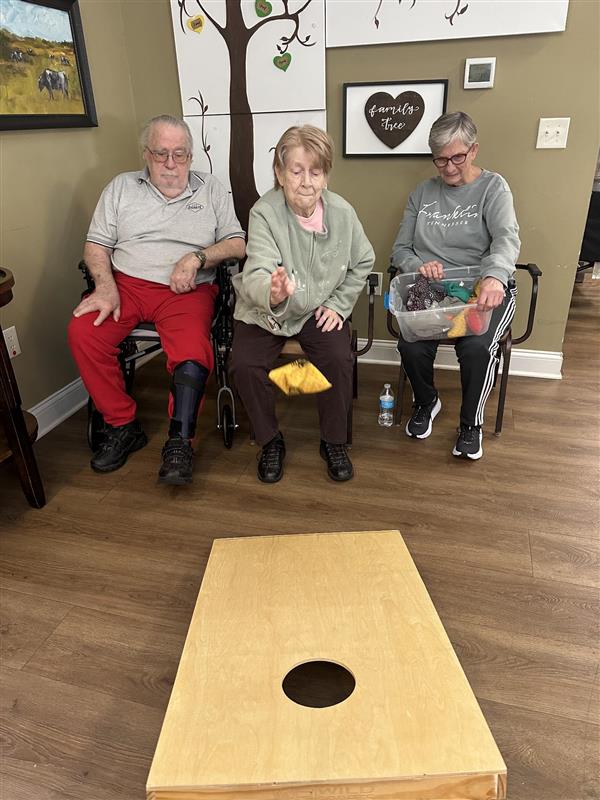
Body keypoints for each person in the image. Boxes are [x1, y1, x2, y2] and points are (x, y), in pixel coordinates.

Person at [68, 115, 246, 484]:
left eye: (179, 154)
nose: (170, 163)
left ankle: (181, 440)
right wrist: (104, 286)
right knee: (84, 331)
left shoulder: (211, 188)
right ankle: (122, 425)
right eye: (160, 153)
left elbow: (237, 242)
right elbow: (96, 246)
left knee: (193, 355)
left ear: (191, 155)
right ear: (145, 154)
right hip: (126, 285)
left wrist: (196, 258)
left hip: (187, 291)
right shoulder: (121, 187)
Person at [229, 125, 375, 483]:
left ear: (325, 175)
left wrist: (339, 304)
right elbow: (258, 269)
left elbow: (363, 261)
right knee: (244, 364)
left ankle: (333, 441)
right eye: (296, 171)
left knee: (338, 359)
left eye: (316, 171)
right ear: (280, 174)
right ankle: (270, 440)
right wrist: (273, 291)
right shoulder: (264, 212)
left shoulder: (343, 213)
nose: (306, 182)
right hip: (267, 309)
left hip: (317, 306)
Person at [391, 111, 520, 460]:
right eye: (440, 159)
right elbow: (401, 249)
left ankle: (470, 424)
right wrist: (420, 265)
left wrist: (494, 276)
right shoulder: (422, 193)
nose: (448, 167)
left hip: (483, 288)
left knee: (476, 349)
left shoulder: (493, 187)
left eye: (457, 157)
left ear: (474, 150)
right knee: (412, 345)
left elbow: (506, 240)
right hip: (433, 289)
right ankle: (426, 402)